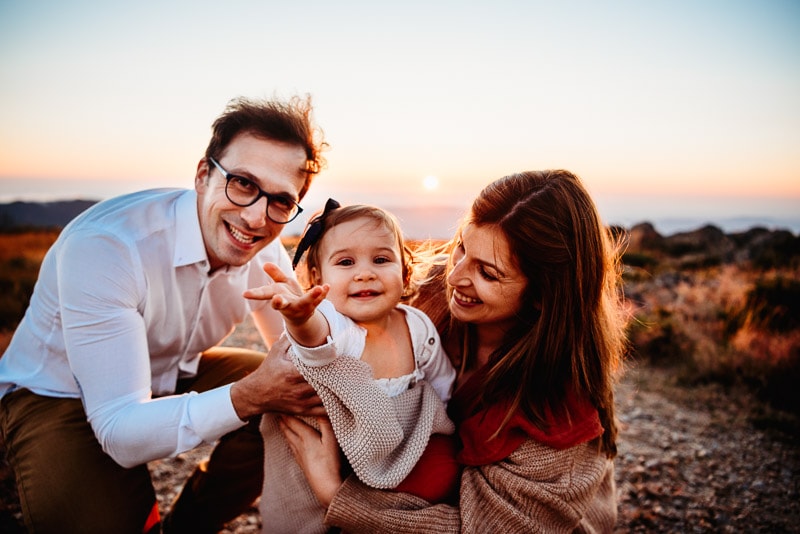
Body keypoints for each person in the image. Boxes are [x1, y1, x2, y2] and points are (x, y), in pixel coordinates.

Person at [0, 95, 328, 533]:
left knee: (298, 396)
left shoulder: (261, 242)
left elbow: (293, 355)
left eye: (280, 202)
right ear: (202, 174)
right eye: (243, 184)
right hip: (56, 394)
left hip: (167, 373)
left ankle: (188, 526)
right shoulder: (108, 246)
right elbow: (119, 430)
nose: (254, 218)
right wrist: (249, 395)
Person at [277, 170, 628, 532]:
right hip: (405, 482)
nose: (455, 276)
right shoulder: (423, 296)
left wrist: (333, 492)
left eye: (487, 274)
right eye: (461, 246)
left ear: (543, 296)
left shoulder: (556, 415)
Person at [244, 201, 459, 533]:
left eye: (381, 259)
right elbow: (316, 347)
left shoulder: (417, 327)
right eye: (346, 262)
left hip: (402, 447)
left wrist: (443, 422)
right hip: (335, 448)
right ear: (317, 278)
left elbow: (442, 384)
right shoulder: (337, 325)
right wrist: (301, 319)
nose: (365, 272)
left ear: (404, 273)